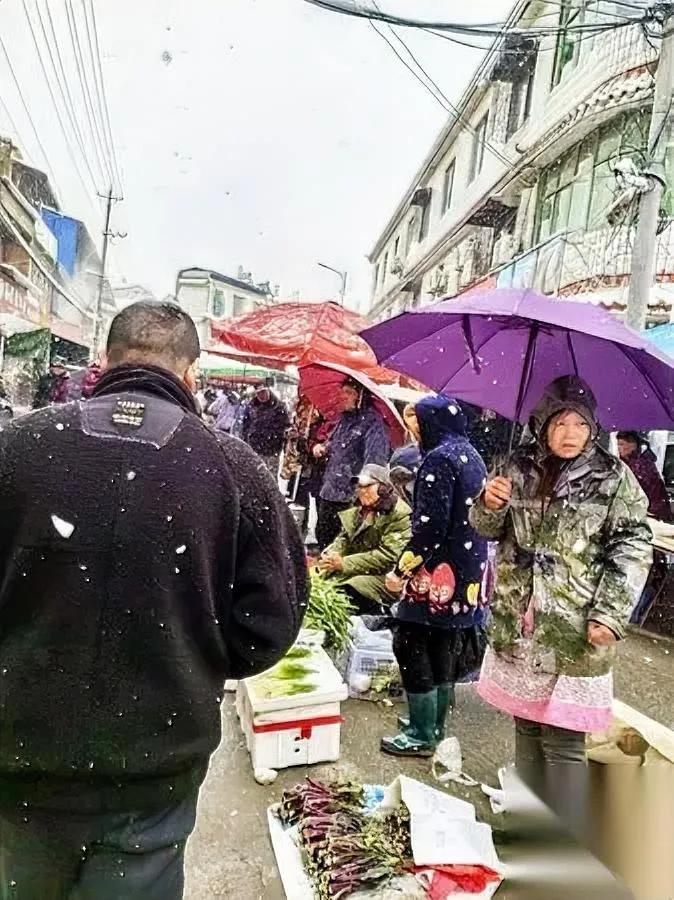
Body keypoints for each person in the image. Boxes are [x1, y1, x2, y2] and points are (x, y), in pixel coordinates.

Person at [0, 300, 307, 899]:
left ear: (103, 361)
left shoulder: (17, 448)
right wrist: (193, 654)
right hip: (152, 771)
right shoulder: (233, 467)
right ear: (191, 374)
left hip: (19, 757)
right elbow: (271, 622)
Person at [470, 376, 652, 837]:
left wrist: (611, 613)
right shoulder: (514, 466)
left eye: (579, 423)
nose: (569, 433)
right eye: (560, 422)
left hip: (574, 628)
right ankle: (528, 823)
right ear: (542, 424)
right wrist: (488, 503)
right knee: (527, 728)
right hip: (519, 622)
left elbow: (633, 546)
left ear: (593, 427)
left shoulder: (614, 478)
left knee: (565, 739)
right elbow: (487, 530)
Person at [380, 396, 488, 757]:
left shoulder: (437, 461)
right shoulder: (471, 455)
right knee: (443, 644)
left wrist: (399, 570)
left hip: (437, 573)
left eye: (418, 421)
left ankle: (422, 732)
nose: (414, 428)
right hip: (467, 571)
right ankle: (434, 725)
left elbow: (429, 529)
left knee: (410, 642)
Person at [317, 464, 412, 614]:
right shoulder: (360, 508)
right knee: (317, 583)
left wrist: (344, 563)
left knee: (350, 588)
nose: (362, 491)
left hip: (387, 577)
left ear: (382, 488)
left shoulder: (399, 515)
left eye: (367, 486)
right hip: (357, 567)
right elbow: (344, 538)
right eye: (359, 487)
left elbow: (388, 557)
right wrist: (331, 554)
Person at [315, 378, 390, 549]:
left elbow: (375, 460)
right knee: (323, 535)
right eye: (343, 392)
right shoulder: (344, 419)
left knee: (344, 544)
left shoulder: (372, 422)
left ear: (361, 396)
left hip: (351, 496)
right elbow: (334, 441)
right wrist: (323, 447)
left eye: (349, 393)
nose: (344, 397)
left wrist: (363, 488)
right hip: (330, 489)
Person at [617, 431, 672, 522]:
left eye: (622, 444)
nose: (619, 448)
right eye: (618, 445)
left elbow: (644, 491)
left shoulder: (642, 466)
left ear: (633, 445)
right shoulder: (623, 464)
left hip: (652, 513)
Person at [240, 383, 290, 474]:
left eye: (263, 392)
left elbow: (285, 427)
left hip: (272, 450)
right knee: (254, 475)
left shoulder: (279, 407)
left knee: (269, 477)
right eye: (258, 393)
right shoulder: (251, 406)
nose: (261, 396)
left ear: (268, 391)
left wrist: (276, 437)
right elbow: (245, 426)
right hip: (254, 447)